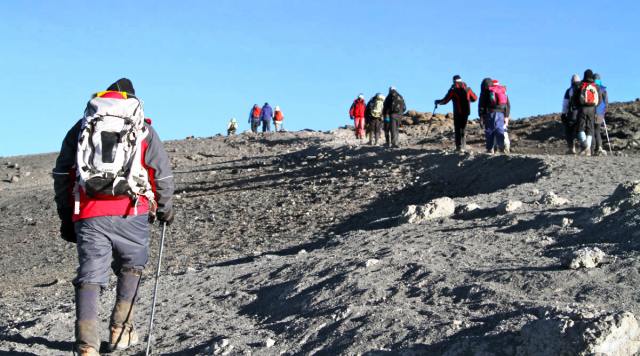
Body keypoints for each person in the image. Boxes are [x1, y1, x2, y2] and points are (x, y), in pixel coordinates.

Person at [52, 78, 175, 356]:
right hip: (131, 210)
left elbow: (62, 174)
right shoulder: (143, 129)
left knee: (90, 274)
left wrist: (66, 216)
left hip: (90, 213)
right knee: (132, 266)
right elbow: (161, 173)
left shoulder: (82, 126)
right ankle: (121, 332)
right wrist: (166, 209)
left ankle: (87, 345)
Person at [435, 75, 478, 152]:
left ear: (454, 81)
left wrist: (438, 102)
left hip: (457, 112)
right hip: (466, 112)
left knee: (458, 129)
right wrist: (469, 100)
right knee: (463, 129)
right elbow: (475, 98)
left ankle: (459, 147)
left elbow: (445, 101)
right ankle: (464, 146)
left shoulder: (453, 90)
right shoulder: (468, 89)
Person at [571, 69, 601, 156]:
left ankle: (584, 145)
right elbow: (599, 100)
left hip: (582, 108)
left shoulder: (580, 85)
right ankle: (587, 150)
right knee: (590, 128)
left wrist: (577, 106)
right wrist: (595, 106)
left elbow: (574, 98)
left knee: (580, 127)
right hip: (592, 109)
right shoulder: (596, 86)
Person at [478, 78, 510, 154]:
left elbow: (482, 106)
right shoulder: (502, 91)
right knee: (500, 130)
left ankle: (490, 149)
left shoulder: (486, 92)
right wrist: (506, 116)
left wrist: (481, 117)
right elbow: (507, 105)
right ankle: (502, 148)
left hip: (490, 113)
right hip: (501, 114)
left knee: (489, 131)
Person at [561, 74, 581, 154]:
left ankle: (571, 148)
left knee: (569, 130)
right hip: (583, 112)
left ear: (571, 81)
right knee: (582, 130)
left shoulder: (569, 90)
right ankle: (585, 148)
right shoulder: (584, 88)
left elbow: (565, 103)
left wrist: (563, 114)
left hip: (572, 113)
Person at [593, 73, 609, 155]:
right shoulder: (603, 89)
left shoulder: (591, 88)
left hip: (592, 111)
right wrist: (603, 112)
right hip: (600, 112)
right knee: (597, 130)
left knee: (592, 130)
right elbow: (606, 102)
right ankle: (599, 147)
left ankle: (595, 148)